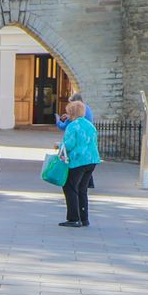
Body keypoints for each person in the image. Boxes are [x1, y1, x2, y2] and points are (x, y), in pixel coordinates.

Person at [56, 95, 100, 227]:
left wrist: (58, 145)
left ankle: (74, 218)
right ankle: (84, 218)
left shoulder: (73, 126)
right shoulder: (90, 125)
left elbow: (69, 144)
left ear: (71, 113)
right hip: (92, 160)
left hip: (78, 160)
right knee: (82, 189)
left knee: (70, 187)